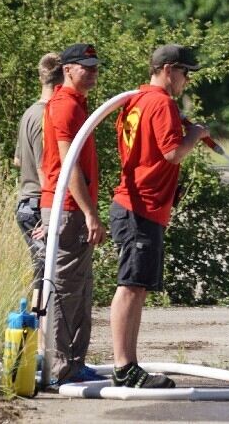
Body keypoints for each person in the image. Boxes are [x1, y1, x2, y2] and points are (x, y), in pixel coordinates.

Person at [108, 44, 209, 388]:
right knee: (131, 287)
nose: (187, 80)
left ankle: (129, 366)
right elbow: (171, 153)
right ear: (168, 69)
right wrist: (195, 134)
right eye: (185, 73)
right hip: (140, 208)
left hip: (139, 205)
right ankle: (123, 367)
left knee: (137, 287)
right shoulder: (162, 102)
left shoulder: (137, 99)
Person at [40, 43, 107, 384]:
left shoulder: (79, 104)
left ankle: (74, 364)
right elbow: (69, 168)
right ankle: (61, 368)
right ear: (68, 69)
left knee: (80, 288)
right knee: (65, 289)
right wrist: (90, 213)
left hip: (67, 209)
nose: (93, 72)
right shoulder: (65, 106)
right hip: (69, 210)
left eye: (95, 66)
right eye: (86, 66)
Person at [13, 52, 63, 354]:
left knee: (41, 273)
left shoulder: (29, 112)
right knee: (47, 276)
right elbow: (48, 170)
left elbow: (19, 160)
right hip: (38, 204)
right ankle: (40, 348)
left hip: (25, 201)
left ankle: (37, 346)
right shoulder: (48, 116)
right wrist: (51, 215)